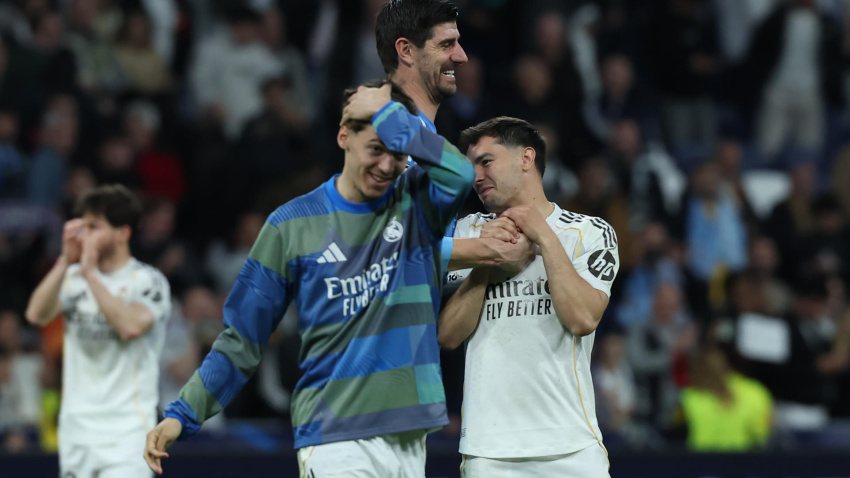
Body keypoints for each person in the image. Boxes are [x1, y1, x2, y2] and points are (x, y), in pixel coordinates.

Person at [144, 79, 485, 477]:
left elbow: (460, 174)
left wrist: (390, 115)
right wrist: (183, 414)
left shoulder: (417, 205)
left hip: (410, 435)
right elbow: (242, 340)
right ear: (344, 136)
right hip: (334, 438)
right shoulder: (289, 226)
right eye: (375, 148)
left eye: (398, 152)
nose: (387, 165)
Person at [438, 117, 619, 477]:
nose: (475, 176)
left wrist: (545, 236)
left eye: (486, 161)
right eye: (470, 165)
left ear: (526, 158)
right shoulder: (469, 233)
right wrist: (489, 259)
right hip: (488, 451)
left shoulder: (590, 233)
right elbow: (449, 335)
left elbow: (582, 319)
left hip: (571, 446)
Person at [25, 184, 171, 478]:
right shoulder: (72, 278)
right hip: (76, 429)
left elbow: (130, 326)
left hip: (127, 431)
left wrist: (90, 274)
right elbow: (36, 314)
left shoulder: (147, 281)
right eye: (82, 226)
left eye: (94, 227)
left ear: (122, 233)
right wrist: (66, 261)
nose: (83, 235)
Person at [376, 0, 530, 272]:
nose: (462, 57)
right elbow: (392, 246)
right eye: (446, 45)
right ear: (406, 51)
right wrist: (487, 249)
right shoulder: (392, 133)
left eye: (457, 43)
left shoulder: (420, 132)